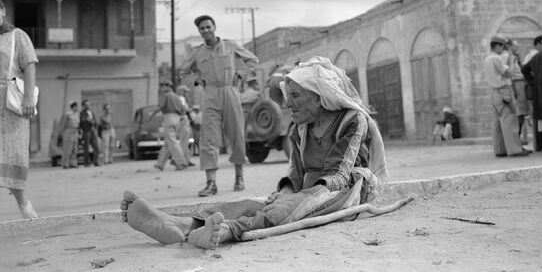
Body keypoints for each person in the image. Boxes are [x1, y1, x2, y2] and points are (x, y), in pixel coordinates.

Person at [121, 56, 388, 249]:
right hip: (308, 191)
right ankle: (183, 225)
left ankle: (226, 231)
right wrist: (283, 194)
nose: (287, 103)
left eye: (295, 95)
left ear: (319, 97)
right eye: (288, 95)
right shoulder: (299, 128)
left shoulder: (352, 120)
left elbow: (338, 174)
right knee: (252, 203)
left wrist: (291, 199)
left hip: (344, 191)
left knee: (282, 209)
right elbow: (295, 173)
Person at [180, 15, 259, 196]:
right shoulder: (198, 52)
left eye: (208, 27)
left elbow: (252, 60)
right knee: (208, 138)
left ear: (214, 27)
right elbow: (184, 71)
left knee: (236, 134)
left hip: (230, 91)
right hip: (210, 94)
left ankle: (239, 176)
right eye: (202, 28)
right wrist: (198, 80)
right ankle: (211, 183)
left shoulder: (230, 45)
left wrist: (240, 74)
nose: (206, 30)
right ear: (199, 32)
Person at [0, 0, 39, 219]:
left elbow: (29, 65)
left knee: (14, 154)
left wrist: (28, 99)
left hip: (12, 105)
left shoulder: (18, 36)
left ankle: (23, 204)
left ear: (3, 10)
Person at [483, 35, 530, 157]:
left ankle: (500, 150)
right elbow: (508, 72)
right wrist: (511, 60)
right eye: (502, 47)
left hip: (493, 92)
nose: (503, 49)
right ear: (497, 46)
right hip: (503, 90)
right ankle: (514, 149)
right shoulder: (496, 58)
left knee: (497, 123)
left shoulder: (487, 59)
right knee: (509, 120)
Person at [154, 80, 188, 171]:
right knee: (168, 143)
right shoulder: (177, 97)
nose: (161, 87)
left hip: (168, 117)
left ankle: (181, 162)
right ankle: (160, 164)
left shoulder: (165, 96)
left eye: (162, 85)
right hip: (177, 118)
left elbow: (161, 106)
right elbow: (183, 109)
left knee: (172, 142)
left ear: (168, 86)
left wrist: (152, 115)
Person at [175, 85, 194, 166]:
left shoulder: (179, 99)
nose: (187, 93)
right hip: (183, 120)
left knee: (185, 142)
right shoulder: (181, 98)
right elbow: (183, 109)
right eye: (185, 92)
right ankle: (180, 160)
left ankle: (187, 160)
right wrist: (188, 111)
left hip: (182, 120)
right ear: (181, 91)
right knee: (183, 142)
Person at [58, 101, 81, 168]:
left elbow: (78, 123)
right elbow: (63, 124)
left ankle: (73, 163)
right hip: (68, 131)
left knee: (75, 148)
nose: (77, 108)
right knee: (68, 149)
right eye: (76, 106)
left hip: (75, 131)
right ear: (73, 107)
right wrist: (61, 133)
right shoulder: (67, 114)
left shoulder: (77, 114)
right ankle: (65, 164)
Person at [80, 99, 101, 166]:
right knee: (86, 148)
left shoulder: (91, 112)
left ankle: (96, 161)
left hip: (93, 130)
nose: (88, 106)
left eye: (89, 104)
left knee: (96, 147)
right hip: (86, 131)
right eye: (86, 105)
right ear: (83, 106)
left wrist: (95, 125)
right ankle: (87, 162)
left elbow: (94, 120)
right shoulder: (82, 113)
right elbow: (82, 122)